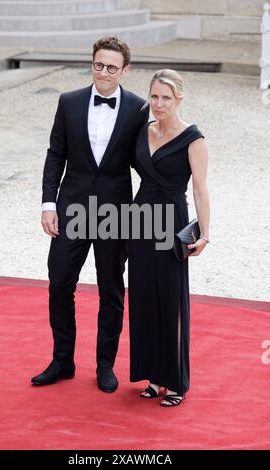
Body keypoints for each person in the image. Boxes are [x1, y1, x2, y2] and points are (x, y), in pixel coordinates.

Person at [31, 36, 149, 392]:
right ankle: (62, 360)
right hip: (72, 208)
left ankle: (104, 365)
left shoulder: (138, 109)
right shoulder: (68, 102)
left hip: (116, 212)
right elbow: (56, 155)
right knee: (59, 283)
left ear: (124, 70)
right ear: (92, 63)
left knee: (110, 290)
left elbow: (145, 162)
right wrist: (48, 203)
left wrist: (171, 197)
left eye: (112, 67)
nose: (104, 72)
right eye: (99, 64)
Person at [128, 69, 210, 406]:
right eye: (155, 96)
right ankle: (153, 376)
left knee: (171, 300)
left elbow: (201, 189)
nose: (159, 104)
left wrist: (205, 233)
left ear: (179, 99)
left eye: (166, 97)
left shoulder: (193, 138)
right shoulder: (141, 131)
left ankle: (175, 382)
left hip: (170, 222)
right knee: (144, 298)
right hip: (139, 221)